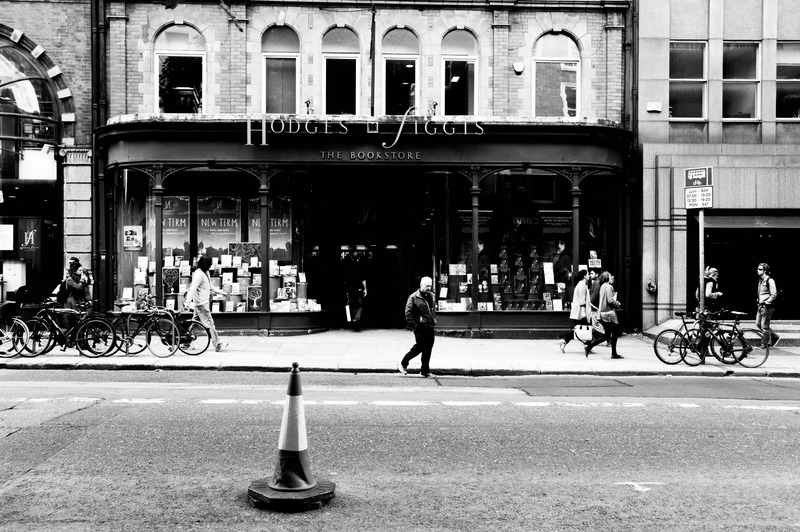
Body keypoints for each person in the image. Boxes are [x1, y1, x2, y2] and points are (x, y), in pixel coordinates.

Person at [185, 255, 228, 352]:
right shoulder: (199, 274)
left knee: (195, 323)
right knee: (210, 323)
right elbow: (193, 288)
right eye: (209, 265)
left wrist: (222, 292)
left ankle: (186, 342)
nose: (210, 267)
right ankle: (217, 344)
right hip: (201, 304)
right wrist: (187, 303)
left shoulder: (205, 273)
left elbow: (211, 287)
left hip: (201, 303)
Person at [398, 276, 437, 378]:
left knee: (428, 348)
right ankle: (403, 363)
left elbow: (432, 311)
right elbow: (408, 312)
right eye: (427, 286)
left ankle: (425, 371)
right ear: (421, 285)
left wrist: (433, 320)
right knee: (420, 346)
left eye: (430, 286)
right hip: (419, 327)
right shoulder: (413, 297)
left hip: (429, 326)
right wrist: (414, 325)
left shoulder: (432, 296)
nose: (429, 288)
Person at [584, 271, 623, 359]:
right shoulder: (609, 287)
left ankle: (589, 347)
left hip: (602, 313)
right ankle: (614, 353)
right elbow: (610, 301)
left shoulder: (602, 286)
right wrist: (618, 303)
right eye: (610, 277)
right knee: (615, 333)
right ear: (607, 278)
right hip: (609, 314)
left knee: (607, 335)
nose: (611, 278)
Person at [557, 269, 591, 353]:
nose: (589, 275)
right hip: (581, 312)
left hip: (579, 311)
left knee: (581, 329)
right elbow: (582, 300)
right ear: (584, 276)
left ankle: (587, 345)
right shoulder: (582, 285)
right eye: (588, 274)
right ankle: (565, 341)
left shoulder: (581, 284)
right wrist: (583, 313)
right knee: (583, 329)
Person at [756, 263, 780, 347]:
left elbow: (774, 294)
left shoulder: (770, 280)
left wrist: (767, 302)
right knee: (758, 324)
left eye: (760, 269)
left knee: (764, 326)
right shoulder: (761, 280)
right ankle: (774, 336)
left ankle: (764, 344)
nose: (757, 270)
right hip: (760, 305)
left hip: (767, 306)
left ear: (765, 271)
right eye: (758, 269)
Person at [344, 252, 367, 331]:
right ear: (359, 258)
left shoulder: (348, 266)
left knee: (353, 306)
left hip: (350, 289)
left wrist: (347, 291)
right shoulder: (360, 266)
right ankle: (356, 319)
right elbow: (363, 279)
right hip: (358, 289)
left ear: (351, 257)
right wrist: (365, 289)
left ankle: (355, 322)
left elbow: (346, 280)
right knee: (360, 305)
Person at [553, 239, 573, 307]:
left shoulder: (565, 258)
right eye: (558, 244)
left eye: (561, 243)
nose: (559, 245)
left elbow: (556, 269)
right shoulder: (561, 257)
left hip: (563, 284)